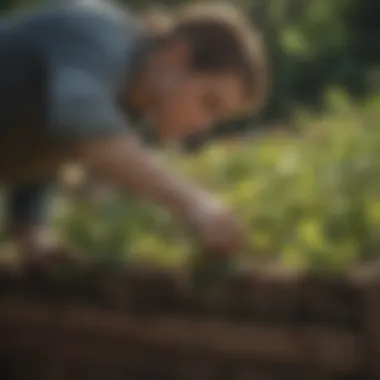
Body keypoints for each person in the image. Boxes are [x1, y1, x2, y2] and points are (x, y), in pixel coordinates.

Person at [0, 0, 267, 265]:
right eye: (209, 102)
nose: (204, 125)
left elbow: (42, 137)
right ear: (179, 54)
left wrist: (30, 230)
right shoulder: (99, 34)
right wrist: (196, 206)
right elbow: (80, 124)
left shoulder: (124, 103)